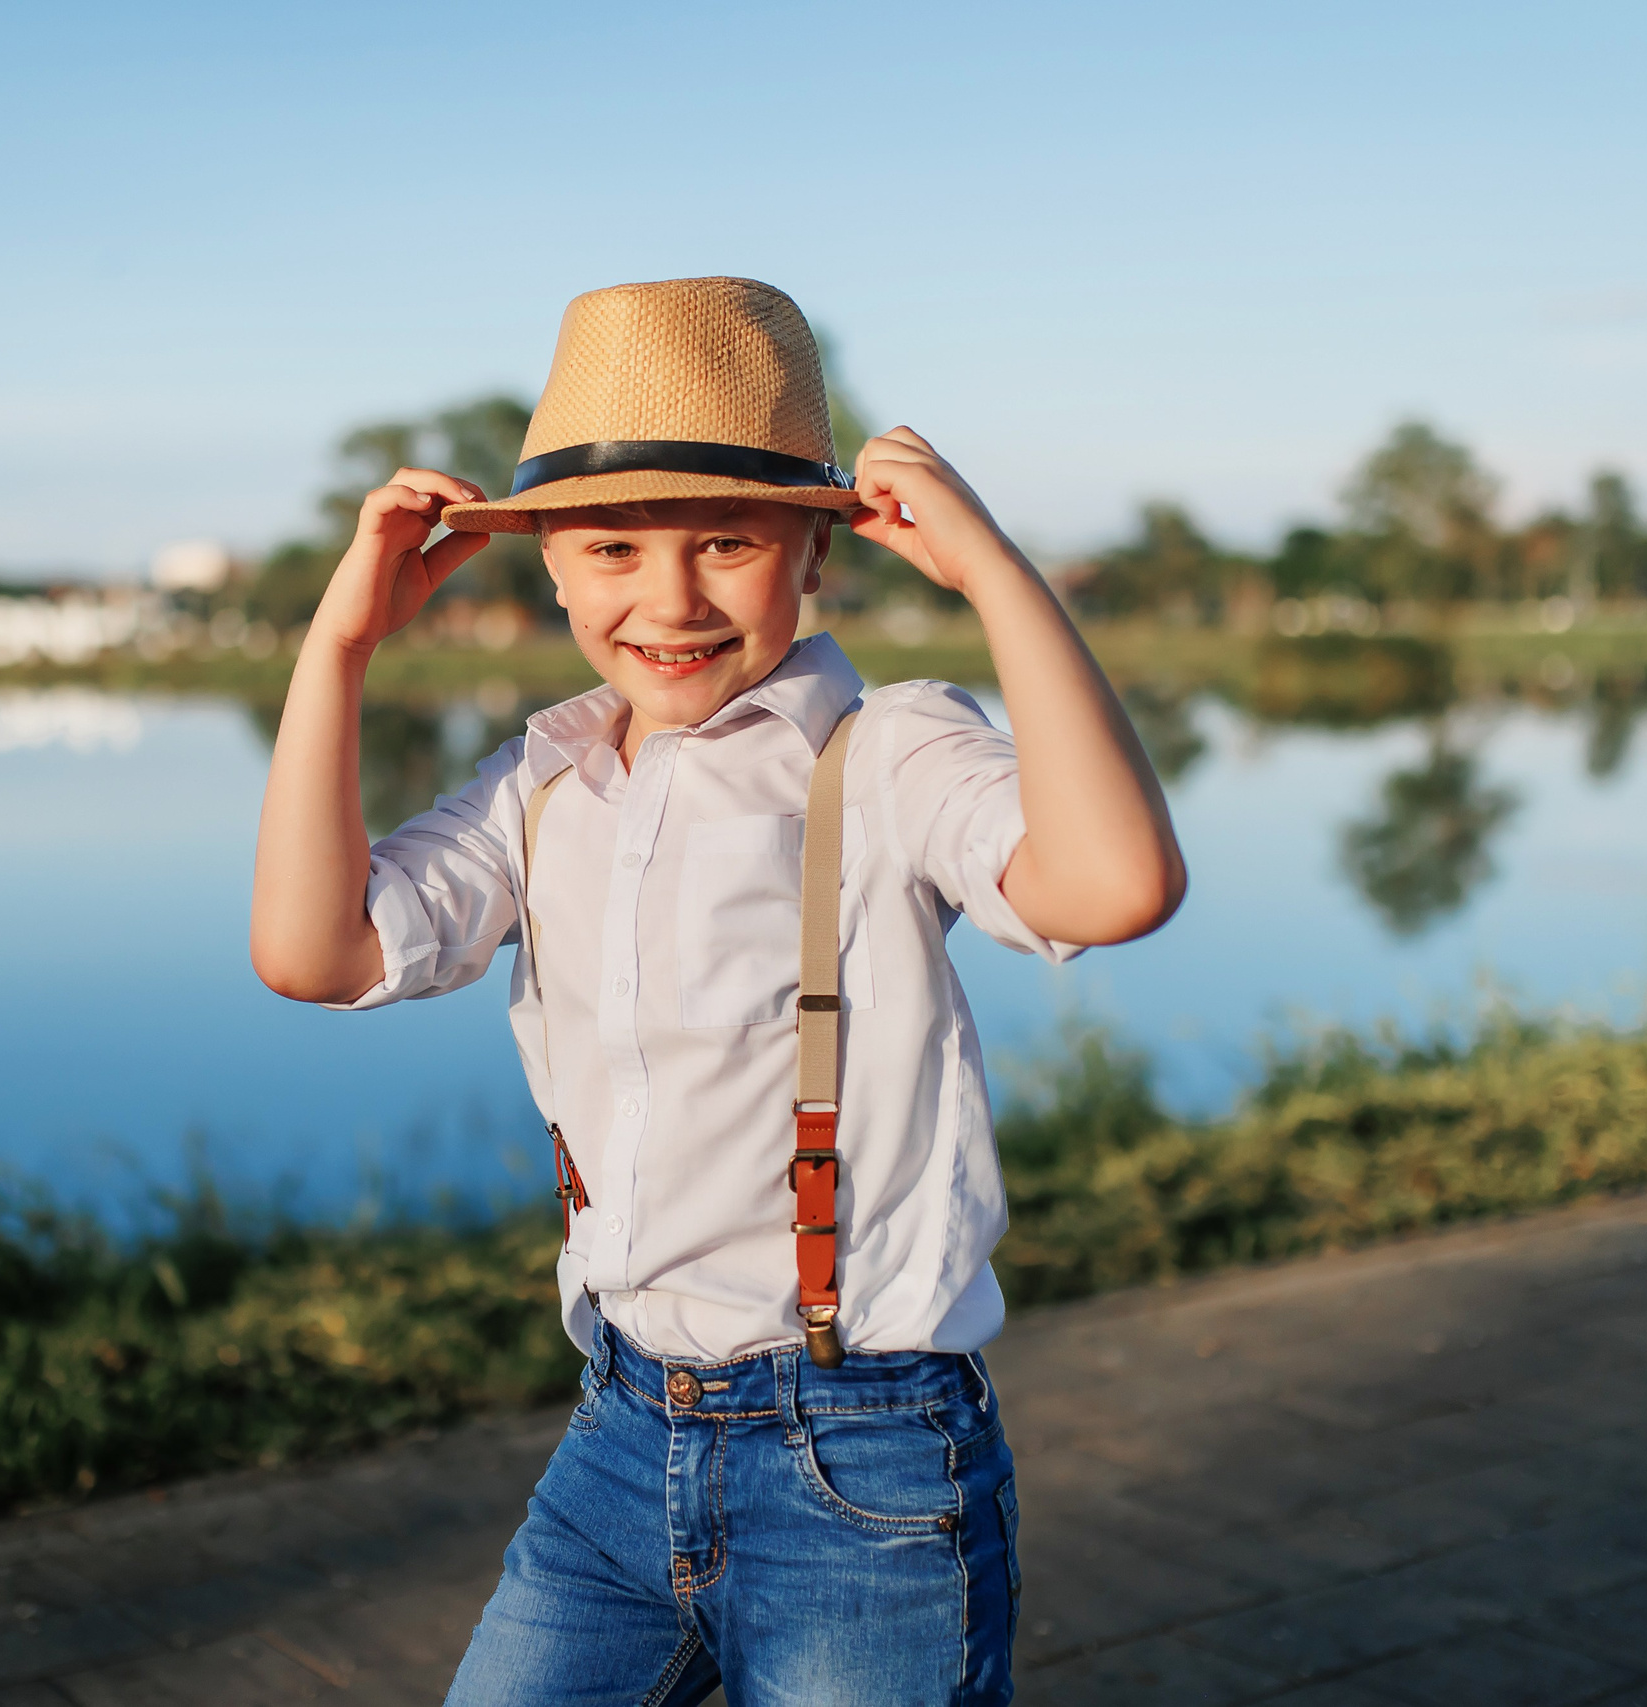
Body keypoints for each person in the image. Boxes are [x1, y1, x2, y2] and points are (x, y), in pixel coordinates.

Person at [252, 277, 1184, 1707]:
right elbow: (318, 953)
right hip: (623, 1435)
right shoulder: (544, 786)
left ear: (817, 551)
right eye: (613, 546)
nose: (668, 599)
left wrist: (1000, 576)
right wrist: (342, 647)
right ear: (550, 564)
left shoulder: (887, 759)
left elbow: (1115, 884)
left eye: (731, 542)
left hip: (860, 1458)